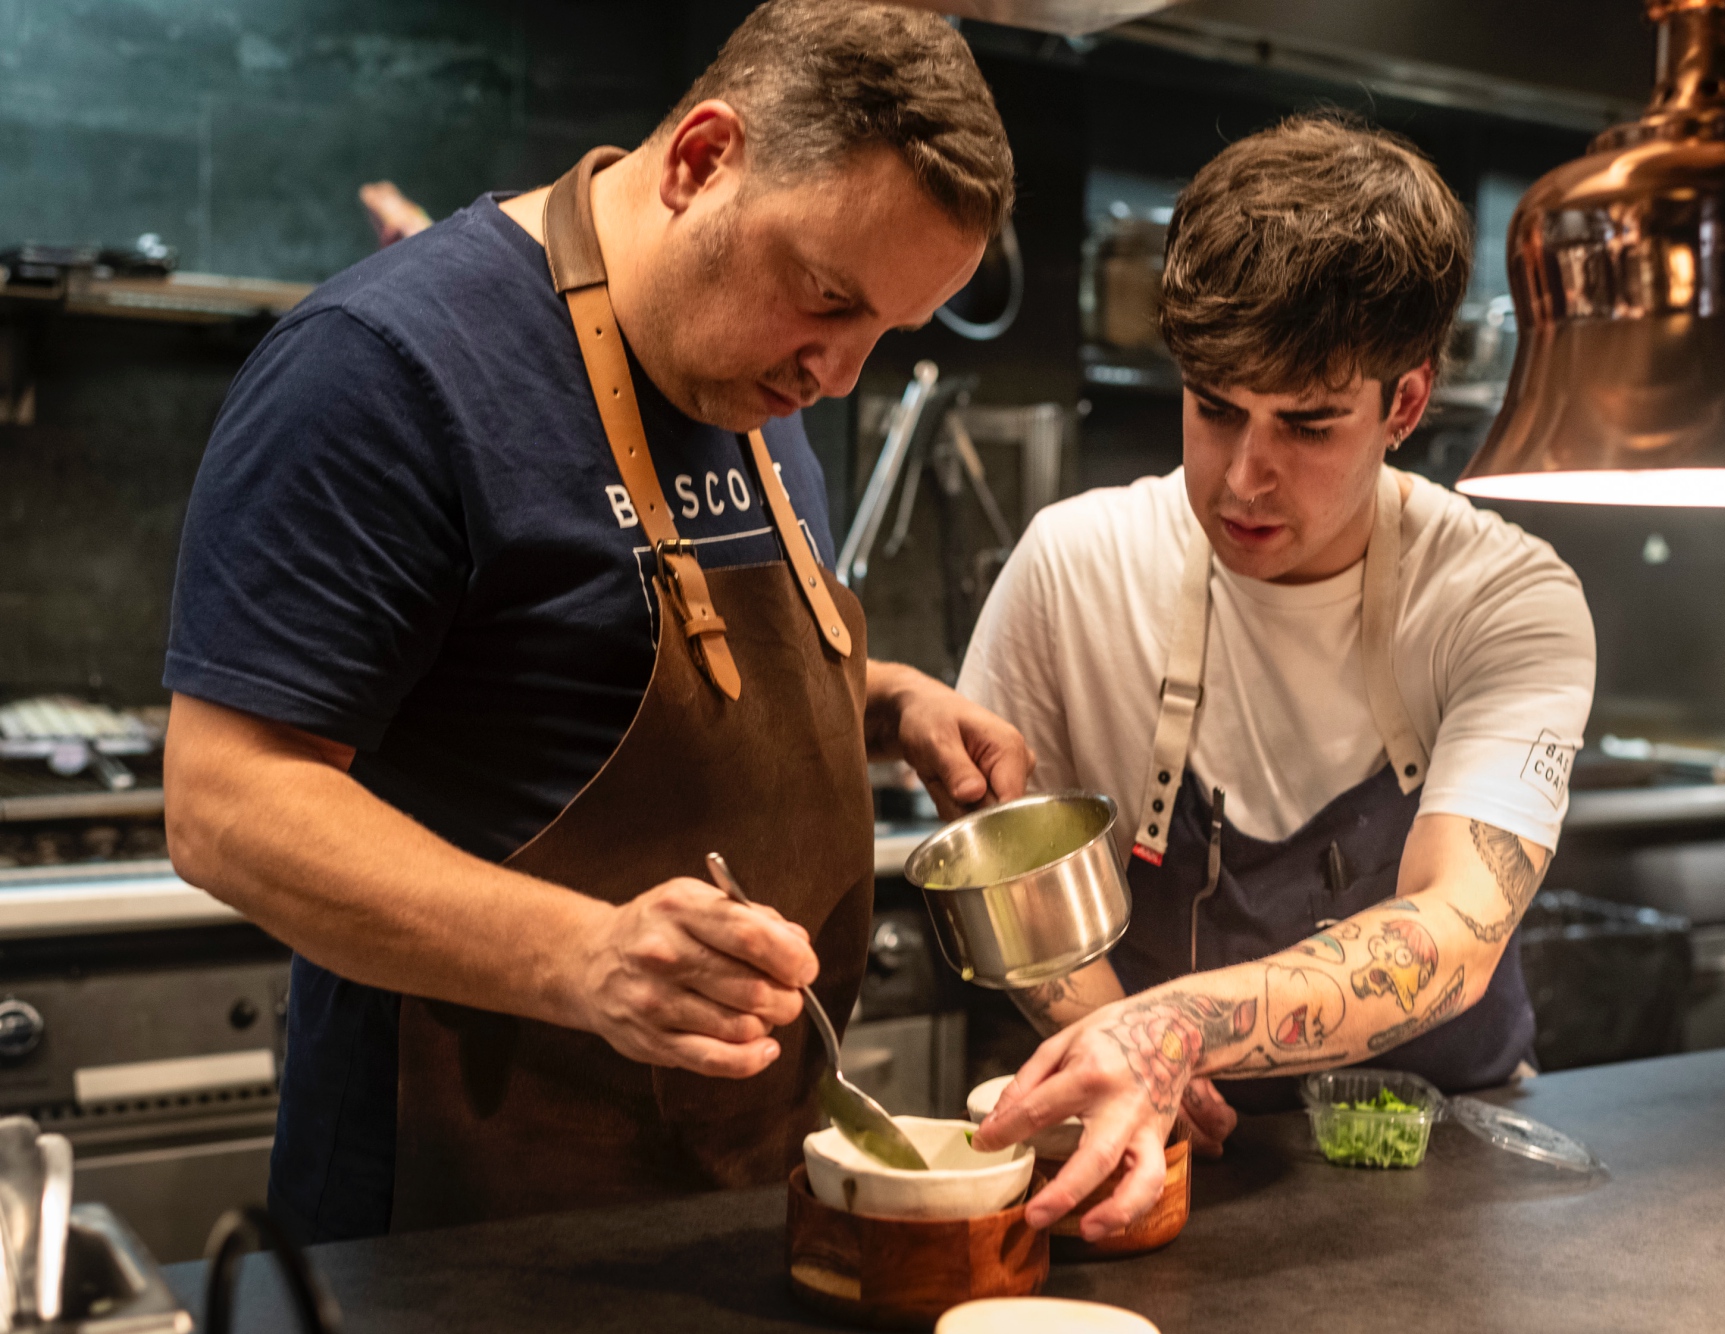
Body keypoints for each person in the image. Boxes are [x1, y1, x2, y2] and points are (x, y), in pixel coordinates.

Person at [161, 0, 1030, 1242]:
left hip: (727, 1204)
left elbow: (596, 656)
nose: (835, 376)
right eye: (827, 297)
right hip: (454, 1235)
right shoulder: (384, 367)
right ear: (701, 161)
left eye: (884, 332)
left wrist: (885, 700)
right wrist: (580, 956)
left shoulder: (750, 367)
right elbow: (224, 800)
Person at [962, 115, 1595, 1240]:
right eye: (1214, 408)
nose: (1242, 478)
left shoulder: (1503, 597)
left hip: (1445, 1175)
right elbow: (1010, 875)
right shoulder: (1074, 566)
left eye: (1306, 426)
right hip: (1155, 1160)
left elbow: (1453, 926)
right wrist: (1121, 1049)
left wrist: (1171, 1030)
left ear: (1404, 405)